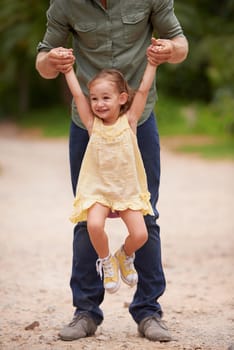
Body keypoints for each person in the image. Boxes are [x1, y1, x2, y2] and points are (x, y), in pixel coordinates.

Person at [36, 0, 188, 342]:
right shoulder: (65, 4)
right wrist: (52, 61)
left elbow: (180, 45)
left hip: (138, 120)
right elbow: (44, 63)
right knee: (87, 217)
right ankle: (86, 311)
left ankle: (149, 311)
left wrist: (168, 50)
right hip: (87, 125)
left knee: (145, 215)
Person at [63, 55, 158, 294]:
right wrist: (67, 70)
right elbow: (77, 95)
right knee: (94, 224)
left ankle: (123, 256)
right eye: (95, 98)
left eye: (106, 97)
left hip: (126, 189)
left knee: (140, 234)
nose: (99, 104)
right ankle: (106, 261)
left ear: (122, 98)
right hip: (98, 190)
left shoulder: (130, 121)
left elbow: (144, 90)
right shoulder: (92, 125)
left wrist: (153, 64)